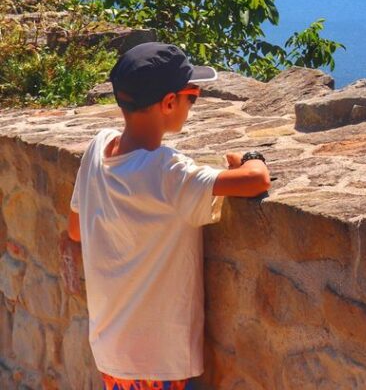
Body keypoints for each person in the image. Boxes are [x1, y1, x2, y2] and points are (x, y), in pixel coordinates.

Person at [66, 42, 272, 390]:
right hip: (158, 361)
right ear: (169, 103)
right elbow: (256, 181)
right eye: (193, 95)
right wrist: (252, 157)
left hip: (111, 349)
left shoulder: (97, 148)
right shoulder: (166, 171)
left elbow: (75, 230)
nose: (193, 105)